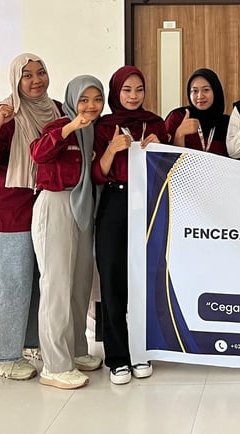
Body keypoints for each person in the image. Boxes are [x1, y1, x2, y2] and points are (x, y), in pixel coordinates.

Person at [0, 53, 62, 380]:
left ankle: (31, 343)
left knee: (38, 281)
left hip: (45, 208)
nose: (36, 80)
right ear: (15, 80)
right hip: (7, 213)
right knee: (8, 284)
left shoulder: (57, 111)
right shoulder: (3, 114)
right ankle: (1, 355)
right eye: (27, 75)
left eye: (41, 72)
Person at [29, 75, 107, 390]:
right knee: (57, 285)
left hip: (82, 206)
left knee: (80, 282)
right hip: (56, 203)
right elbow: (38, 154)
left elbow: (97, 172)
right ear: (73, 100)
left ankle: (75, 349)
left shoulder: (94, 132)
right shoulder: (60, 125)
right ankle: (55, 364)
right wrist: (70, 127)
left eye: (97, 99)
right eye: (84, 99)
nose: (91, 106)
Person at [94, 66, 165, 385]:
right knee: (112, 278)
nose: (134, 96)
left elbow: (169, 169)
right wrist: (111, 149)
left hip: (148, 205)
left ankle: (141, 351)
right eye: (127, 90)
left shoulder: (156, 124)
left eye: (139, 89)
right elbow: (97, 174)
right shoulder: (104, 126)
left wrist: (160, 148)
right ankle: (117, 357)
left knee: (144, 279)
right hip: (115, 202)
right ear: (116, 92)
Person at [165, 68, 230, 156]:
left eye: (206, 90)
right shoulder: (177, 117)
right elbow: (163, 158)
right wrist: (179, 134)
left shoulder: (226, 123)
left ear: (216, 91)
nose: (200, 96)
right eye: (195, 91)